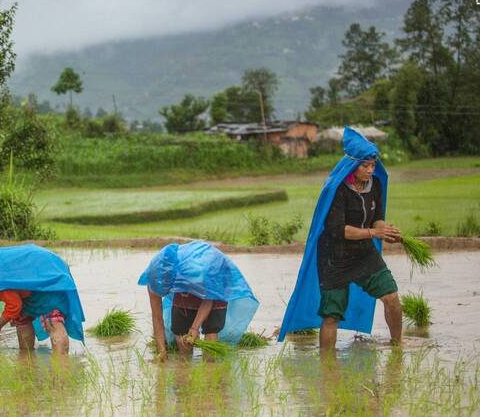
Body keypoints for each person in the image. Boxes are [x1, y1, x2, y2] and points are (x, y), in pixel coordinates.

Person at [278, 126, 403, 352]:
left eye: (373, 165)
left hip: (364, 254)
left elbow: (377, 219)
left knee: (391, 297)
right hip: (335, 258)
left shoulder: (374, 185)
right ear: (353, 166)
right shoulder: (337, 190)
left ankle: (397, 348)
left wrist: (386, 231)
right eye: (365, 166)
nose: (370, 170)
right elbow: (338, 230)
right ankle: (328, 365)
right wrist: (374, 233)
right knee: (331, 315)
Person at [137, 241, 259, 360]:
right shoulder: (153, 279)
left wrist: (195, 328)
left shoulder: (198, 270)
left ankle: (210, 368)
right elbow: (157, 317)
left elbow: (209, 300)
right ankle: (185, 368)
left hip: (213, 278)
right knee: (181, 338)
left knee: (211, 333)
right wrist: (161, 351)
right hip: (188, 280)